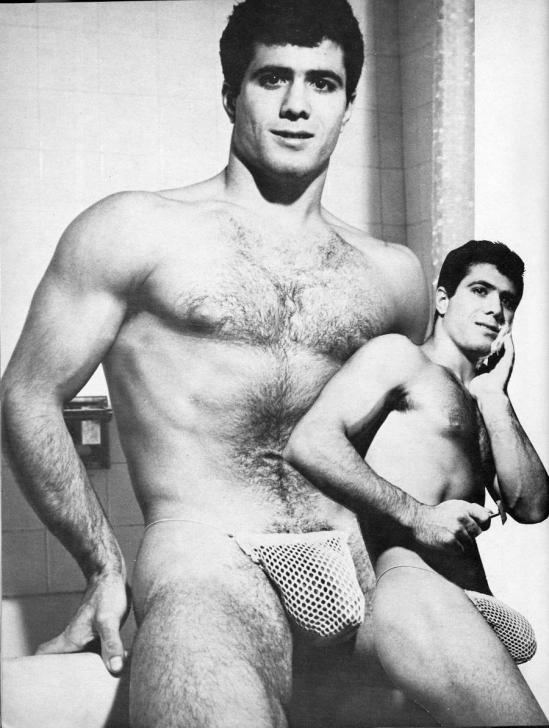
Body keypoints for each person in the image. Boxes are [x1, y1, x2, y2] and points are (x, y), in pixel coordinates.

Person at [1, 1, 438, 726]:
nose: (297, 105)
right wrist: (104, 565)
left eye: (323, 83)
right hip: (209, 566)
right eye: (272, 78)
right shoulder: (134, 229)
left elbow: (404, 447)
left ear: (347, 104)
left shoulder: (394, 276)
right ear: (231, 93)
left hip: (359, 575)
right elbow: (27, 393)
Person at [284, 239, 549, 726]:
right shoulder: (401, 358)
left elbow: (531, 505)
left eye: (508, 300)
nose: (496, 309)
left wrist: (495, 397)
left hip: (465, 607)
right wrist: (417, 515)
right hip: (414, 594)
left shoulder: (480, 400)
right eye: (480, 290)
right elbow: (309, 442)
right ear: (443, 299)